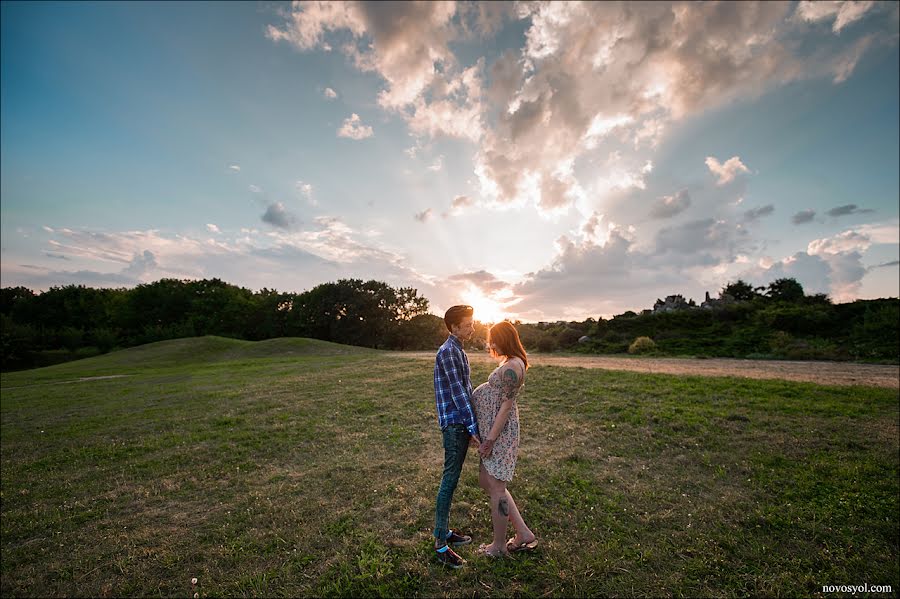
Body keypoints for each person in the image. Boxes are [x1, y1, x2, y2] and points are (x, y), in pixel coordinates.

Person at [472, 320, 538, 558]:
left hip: (499, 434)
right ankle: (523, 533)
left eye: (494, 339)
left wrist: (489, 439)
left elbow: (506, 407)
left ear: (504, 339)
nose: (491, 343)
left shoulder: (512, 367)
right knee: (488, 482)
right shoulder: (510, 362)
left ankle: (498, 546)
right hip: (494, 432)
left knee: (497, 487)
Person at [432, 305, 481, 568]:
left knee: (452, 479)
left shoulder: (458, 350)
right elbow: (458, 394)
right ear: (453, 327)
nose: (472, 328)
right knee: (449, 480)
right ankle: (440, 544)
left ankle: (445, 531)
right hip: (454, 424)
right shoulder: (448, 352)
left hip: (460, 422)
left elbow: (467, 388)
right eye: (468, 324)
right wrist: (473, 428)